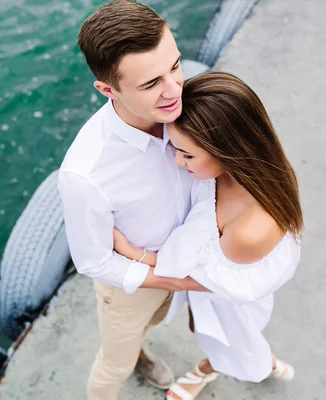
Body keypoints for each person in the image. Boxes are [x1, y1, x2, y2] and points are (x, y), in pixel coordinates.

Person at [113, 71, 303, 400]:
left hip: (230, 294)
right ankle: (244, 362)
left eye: (187, 155)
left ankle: (224, 367)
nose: (176, 160)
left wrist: (136, 255)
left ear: (227, 151)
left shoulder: (250, 229)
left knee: (233, 341)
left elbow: (204, 281)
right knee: (204, 329)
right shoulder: (248, 167)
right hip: (219, 279)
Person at [57, 1, 208, 399]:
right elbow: (91, 260)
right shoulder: (85, 175)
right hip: (131, 285)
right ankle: (130, 359)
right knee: (113, 364)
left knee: (157, 321)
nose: (175, 89)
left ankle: (140, 348)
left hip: (180, 259)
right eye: (150, 84)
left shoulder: (185, 104)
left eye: (174, 66)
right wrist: (175, 278)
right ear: (108, 90)